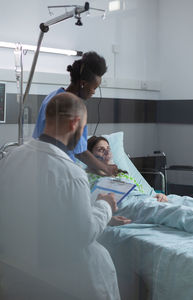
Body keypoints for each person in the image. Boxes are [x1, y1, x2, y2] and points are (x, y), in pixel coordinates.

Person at [0, 93, 121, 300]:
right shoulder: (71, 173)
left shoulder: (11, 158)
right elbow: (85, 233)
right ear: (75, 123)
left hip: (14, 266)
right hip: (62, 278)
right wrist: (105, 206)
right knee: (102, 258)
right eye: (83, 128)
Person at [33, 51, 118, 177]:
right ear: (83, 83)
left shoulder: (52, 97)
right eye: (94, 87)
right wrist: (106, 168)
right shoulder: (74, 108)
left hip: (41, 167)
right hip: (59, 172)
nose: (94, 92)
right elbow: (80, 152)